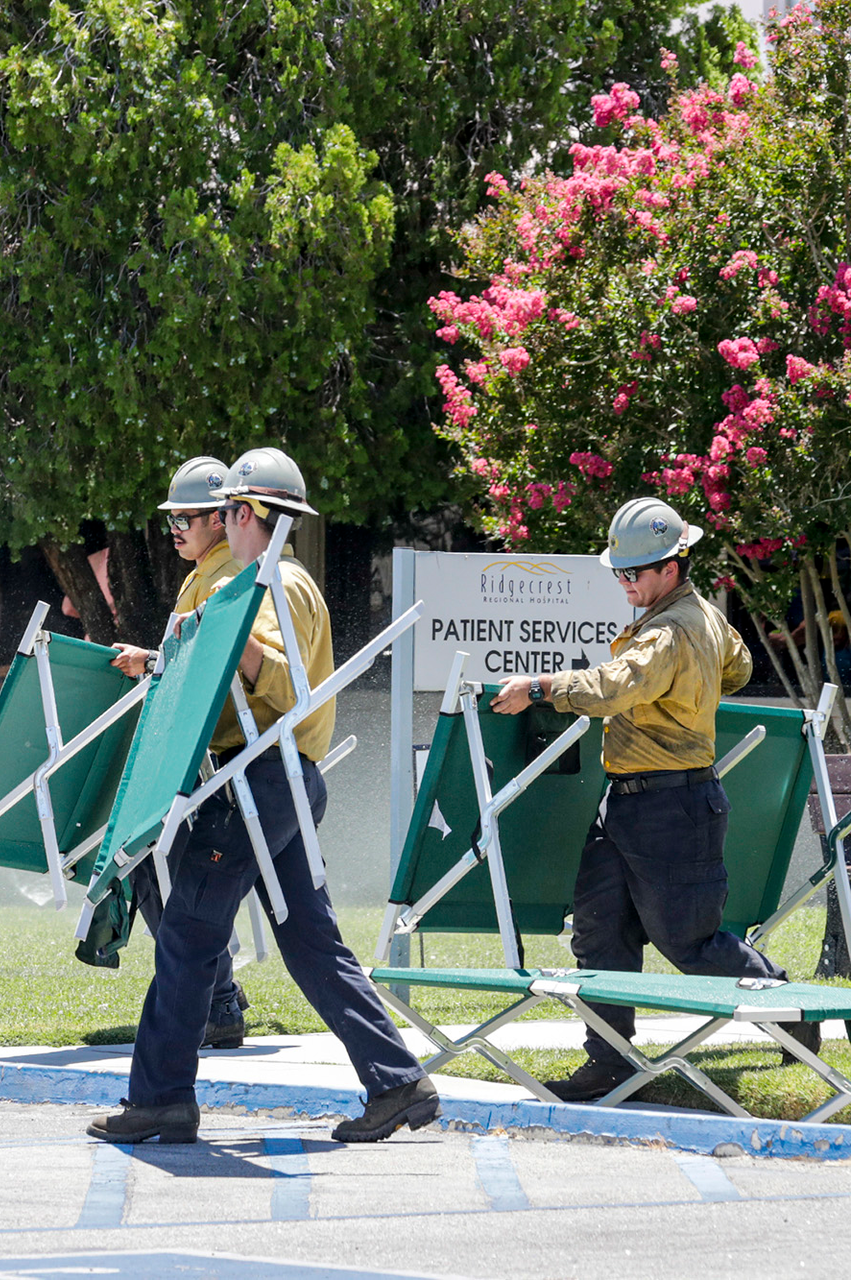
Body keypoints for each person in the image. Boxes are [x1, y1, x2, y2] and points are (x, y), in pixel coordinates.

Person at [88, 447, 437, 1145]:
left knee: (188, 933)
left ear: (242, 513)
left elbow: (278, 682)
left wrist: (225, 629)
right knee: (310, 941)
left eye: (223, 511)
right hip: (274, 779)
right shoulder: (271, 580)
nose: (216, 520)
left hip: (258, 779)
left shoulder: (268, 582)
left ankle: (161, 1099)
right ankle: (397, 1080)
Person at [491, 496, 819, 1100]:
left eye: (633, 573)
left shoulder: (669, 629)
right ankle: (611, 1063)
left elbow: (616, 686)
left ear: (672, 565)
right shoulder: (701, 618)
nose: (624, 582)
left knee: (689, 943)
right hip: (634, 802)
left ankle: (791, 1008)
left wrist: (540, 686)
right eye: (618, 571)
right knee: (598, 931)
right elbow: (740, 668)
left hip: (674, 806)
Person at [107, 456, 250, 1050]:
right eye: (172, 517)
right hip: (204, 759)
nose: (175, 528)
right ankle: (221, 1000)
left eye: (186, 517)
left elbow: (206, 668)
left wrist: (154, 662)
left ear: (221, 518)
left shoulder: (220, 579)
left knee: (164, 873)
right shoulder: (206, 572)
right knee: (172, 879)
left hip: (211, 763)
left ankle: (218, 1003)